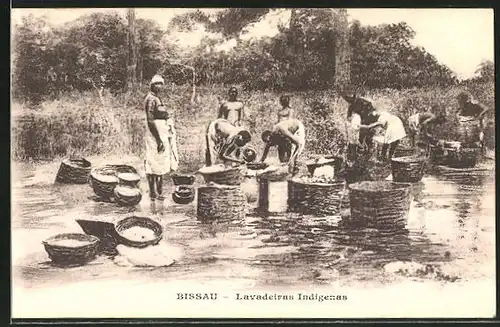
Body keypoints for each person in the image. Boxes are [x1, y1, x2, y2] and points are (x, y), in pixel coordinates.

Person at [144, 75, 178, 201]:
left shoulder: (156, 98)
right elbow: (150, 120)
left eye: (161, 84)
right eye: (157, 84)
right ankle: (153, 192)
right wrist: (158, 139)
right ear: (152, 85)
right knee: (153, 162)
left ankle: (158, 191)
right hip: (154, 134)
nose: (159, 86)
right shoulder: (150, 99)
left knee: (160, 162)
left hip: (161, 133)